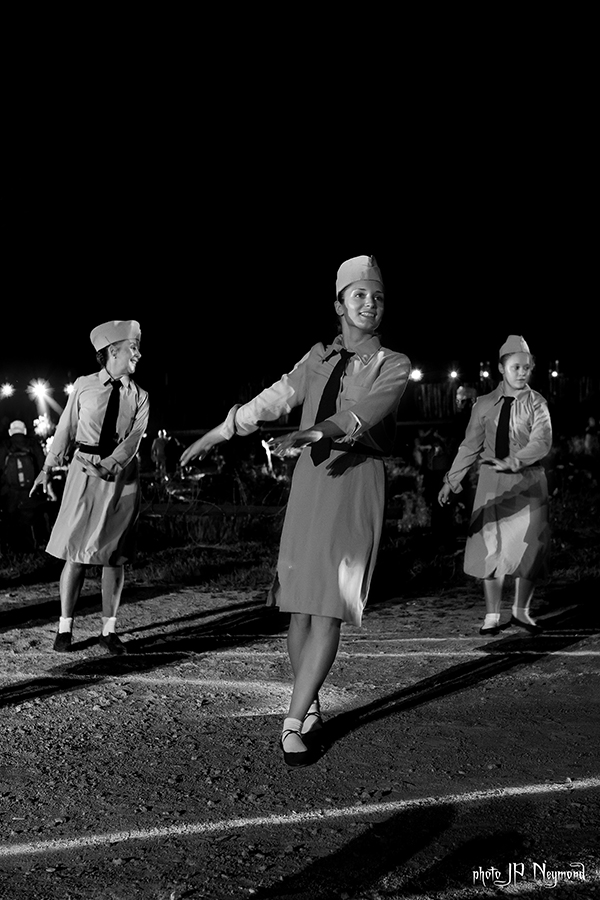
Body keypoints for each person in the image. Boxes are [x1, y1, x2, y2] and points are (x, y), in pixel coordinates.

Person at [181, 255, 411, 766]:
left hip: (355, 479)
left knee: (329, 604)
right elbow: (274, 399)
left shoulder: (392, 363)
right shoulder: (317, 358)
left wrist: (319, 430)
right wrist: (220, 433)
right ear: (339, 305)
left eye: (377, 297)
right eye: (359, 296)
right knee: (301, 604)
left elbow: (370, 409)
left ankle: (291, 722)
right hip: (311, 481)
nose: (370, 304)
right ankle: (309, 707)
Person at [29, 320, 149, 655]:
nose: (138, 354)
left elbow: (133, 443)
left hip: (120, 476)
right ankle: (65, 627)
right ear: (113, 351)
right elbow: (66, 428)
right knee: (76, 551)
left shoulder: (140, 396)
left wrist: (108, 465)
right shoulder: (84, 385)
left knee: (114, 554)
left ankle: (108, 631)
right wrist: (47, 467)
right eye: (133, 347)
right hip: (83, 471)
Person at [438, 335, 552, 636]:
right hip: (492, 481)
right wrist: (452, 480)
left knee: (530, 545)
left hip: (528, 480)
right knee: (491, 547)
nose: (522, 373)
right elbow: (470, 446)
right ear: (502, 368)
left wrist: (516, 460)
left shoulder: (537, 403)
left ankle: (521, 611)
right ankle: (492, 615)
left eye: (527, 367)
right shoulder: (484, 405)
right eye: (516, 367)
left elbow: (542, 441)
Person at [0, 420, 47, 549]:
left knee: (10, 519)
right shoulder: (33, 444)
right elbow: (43, 467)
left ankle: (11, 547)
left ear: (10, 432)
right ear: (25, 431)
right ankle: (36, 545)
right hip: (31, 490)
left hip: (10, 492)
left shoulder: (4, 446)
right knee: (32, 517)